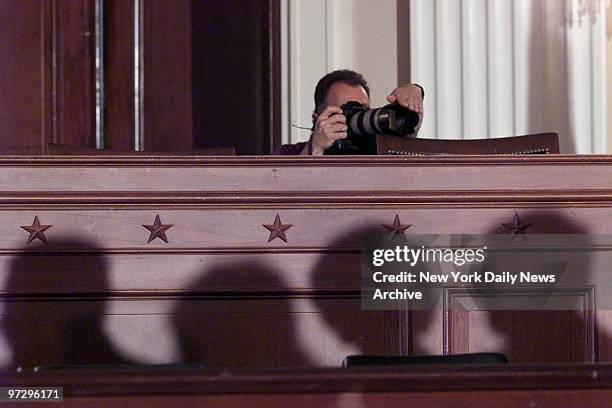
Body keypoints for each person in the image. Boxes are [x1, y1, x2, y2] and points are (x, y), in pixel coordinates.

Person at [274, 69, 424, 155]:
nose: (357, 116)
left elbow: (408, 144)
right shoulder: (288, 154)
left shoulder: (378, 152)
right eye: (347, 109)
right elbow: (278, 197)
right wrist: (315, 149)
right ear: (316, 119)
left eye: (362, 109)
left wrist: (414, 95)